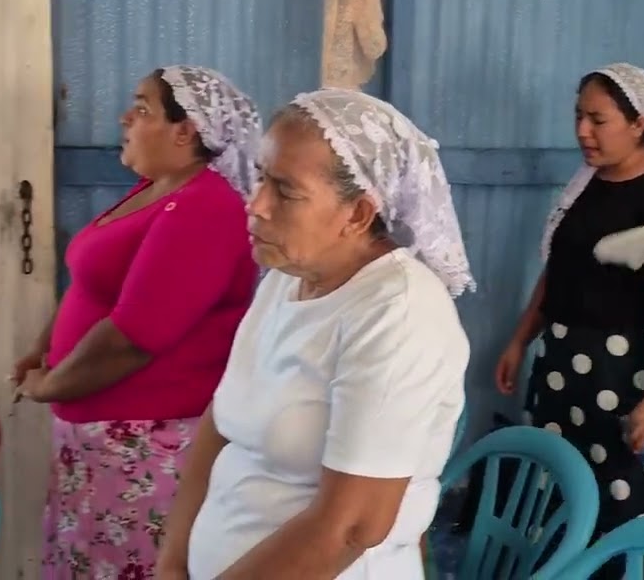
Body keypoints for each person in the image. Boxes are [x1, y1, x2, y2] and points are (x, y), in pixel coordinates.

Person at [156, 88, 474, 580]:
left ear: (358, 214)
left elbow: (350, 528)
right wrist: (173, 563)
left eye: (286, 190)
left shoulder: (397, 312)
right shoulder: (286, 278)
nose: (255, 203)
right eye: (261, 177)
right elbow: (220, 425)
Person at [10, 65, 262, 579]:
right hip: (103, 443)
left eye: (143, 109)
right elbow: (90, 285)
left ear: (185, 131)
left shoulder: (206, 207)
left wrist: (49, 384)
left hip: (147, 446)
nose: (125, 117)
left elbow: (134, 337)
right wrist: (43, 349)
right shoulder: (158, 191)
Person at [493, 63, 644, 579]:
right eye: (578, 116)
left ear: (638, 123)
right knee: (558, 494)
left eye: (598, 119)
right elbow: (558, 272)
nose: (583, 131)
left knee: (625, 499)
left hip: (621, 374)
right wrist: (521, 340)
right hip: (562, 366)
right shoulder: (588, 185)